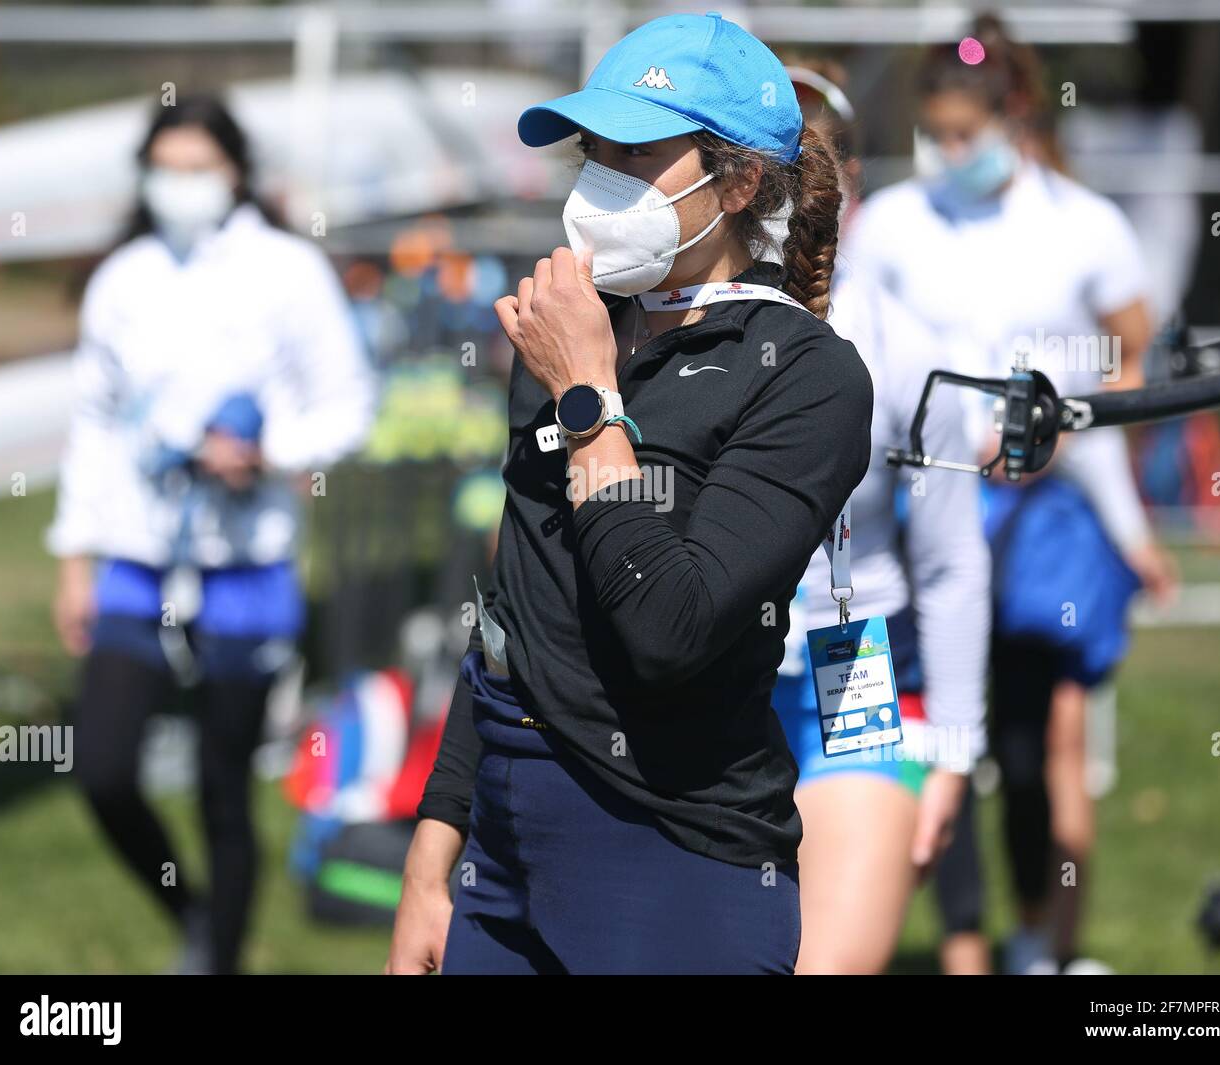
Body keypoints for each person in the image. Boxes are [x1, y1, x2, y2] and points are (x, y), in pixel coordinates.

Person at [386, 12, 873, 975]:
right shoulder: (567, 332)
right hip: (504, 854)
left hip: (674, 858)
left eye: (636, 151)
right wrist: (429, 865)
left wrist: (590, 402)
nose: (599, 179)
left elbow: (669, 629)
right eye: (591, 150)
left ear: (736, 183)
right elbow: (509, 619)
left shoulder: (805, 376)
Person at [846, 14, 1177, 974]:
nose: (952, 153)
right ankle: (955, 942)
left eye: (966, 133)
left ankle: (1046, 943)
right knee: (927, 722)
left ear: (1013, 114)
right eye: (936, 133)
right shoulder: (894, 227)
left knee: (1038, 747)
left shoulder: (1084, 226)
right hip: (924, 506)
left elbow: (1129, 356)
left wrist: (1057, 426)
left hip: (1043, 519)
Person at [49, 95, 375, 974]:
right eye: (167, 169)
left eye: (200, 168)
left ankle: (219, 958)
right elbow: (94, 424)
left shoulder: (287, 272)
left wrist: (269, 452)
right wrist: (74, 559)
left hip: (247, 566)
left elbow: (349, 404)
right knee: (105, 769)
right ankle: (190, 914)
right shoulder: (125, 278)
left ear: (234, 172)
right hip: (137, 562)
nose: (181, 187)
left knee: (221, 788)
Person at [772, 64, 992, 975]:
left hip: (852, 671)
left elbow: (950, 564)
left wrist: (953, 751)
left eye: (809, 170)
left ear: (847, 185)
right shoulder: (652, 331)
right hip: (701, 683)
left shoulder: (908, 350)